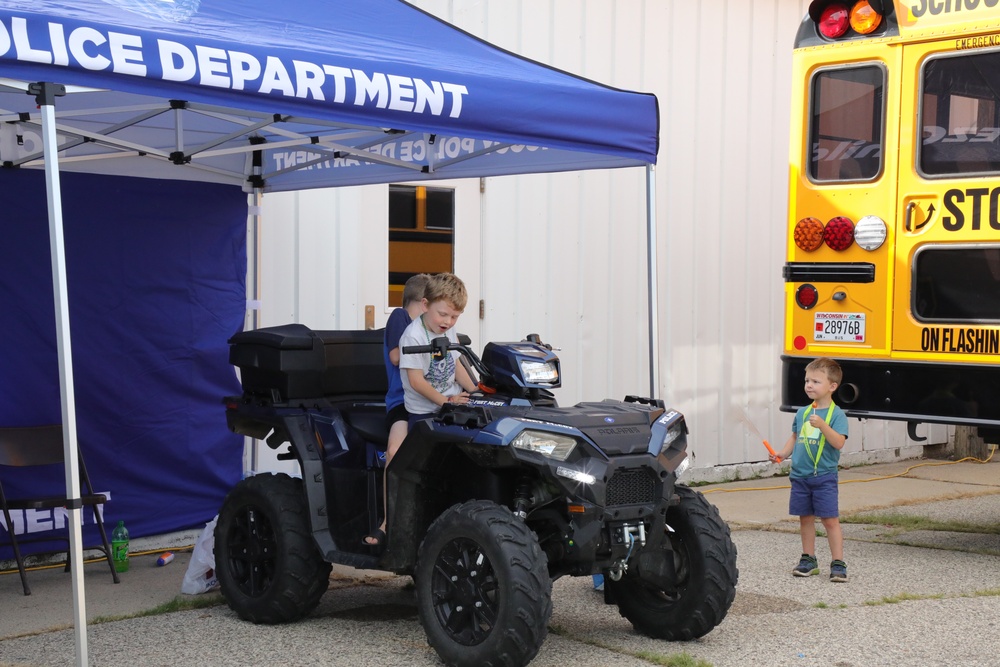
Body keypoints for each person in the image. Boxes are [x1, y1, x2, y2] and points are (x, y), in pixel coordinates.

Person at [364, 273, 430, 548]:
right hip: (402, 402)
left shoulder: (433, 328)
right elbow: (395, 355)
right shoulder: (401, 318)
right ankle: (389, 521)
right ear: (425, 302)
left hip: (427, 401)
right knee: (395, 450)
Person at [771, 357, 850, 583]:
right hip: (800, 477)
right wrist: (782, 454)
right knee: (805, 519)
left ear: (832, 387)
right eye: (807, 380)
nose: (808, 385)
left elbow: (839, 443)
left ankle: (838, 562)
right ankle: (808, 559)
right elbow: (795, 436)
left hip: (824, 477)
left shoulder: (836, 415)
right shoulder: (802, 413)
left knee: (830, 520)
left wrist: (823, 425)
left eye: (815, 381)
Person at [398, 272, 478, 424]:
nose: (448, 322)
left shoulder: (448, 329)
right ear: (425, 305)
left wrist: (475, 391)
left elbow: (456, 364)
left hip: (452, 403)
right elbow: (416, 381)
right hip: (425, 412)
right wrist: (447, 402)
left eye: (455, 317)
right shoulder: (413, 336)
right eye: (443, 314)